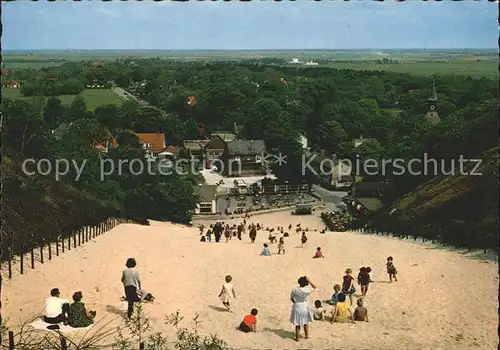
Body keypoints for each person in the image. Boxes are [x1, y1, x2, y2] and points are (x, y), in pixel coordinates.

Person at [290, 276, 316, 342]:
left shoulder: (295, 289)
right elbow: (314, 287)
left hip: (297, 305)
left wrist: (295, 302)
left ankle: (297, 338)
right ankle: (306, 336)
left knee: (297, 324)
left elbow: (291, 298)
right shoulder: (307, 290)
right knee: (305, 322)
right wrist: (309, 281)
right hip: (304, 305)